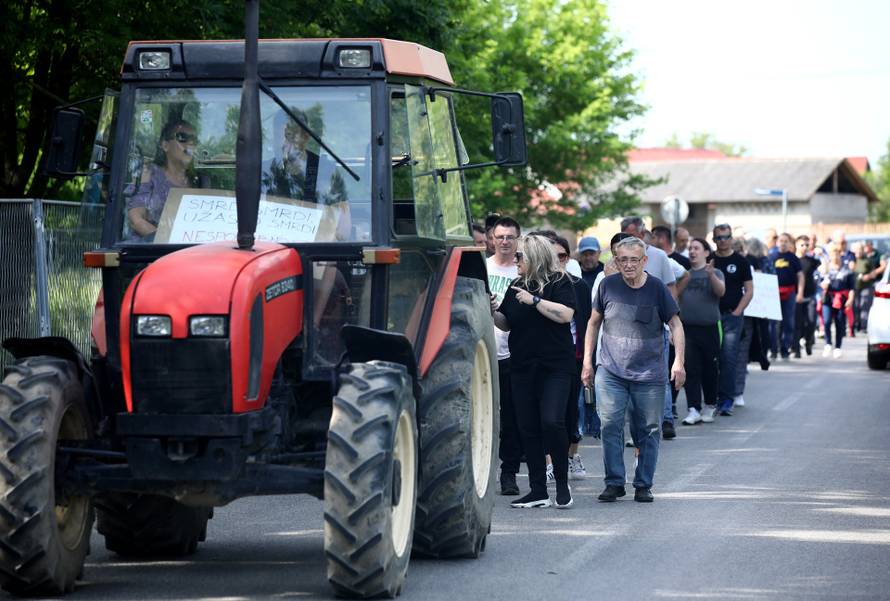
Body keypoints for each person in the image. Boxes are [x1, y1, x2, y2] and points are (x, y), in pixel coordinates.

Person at [582, 236, 685, 503]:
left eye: (634, 260)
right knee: (610, 425)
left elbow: (675, 325)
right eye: (623, 259)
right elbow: (593, 324)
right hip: (611, 371)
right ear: (615, 261)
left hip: (650, 374)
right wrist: (587, 362)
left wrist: (679, 361)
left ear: (644, 261)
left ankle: (643, 484)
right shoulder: (607, 286)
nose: (628, 265)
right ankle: (614, 482)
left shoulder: (657, 288)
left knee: (648, 429)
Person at [493, 235, 576, 509]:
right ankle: (538, 490)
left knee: (552, 421)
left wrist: (535, 300)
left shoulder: (560, 282)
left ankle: (562, 485)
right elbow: (506, 324)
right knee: (527, 427)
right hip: (522, 367)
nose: (515, 260)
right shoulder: (516, 286)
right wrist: (493, 310)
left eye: (520, 256)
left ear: (534, 258)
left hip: (555, 366)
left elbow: (565, 315)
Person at [533, 232, 592, 483]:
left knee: (571, 411)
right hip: (542, 357)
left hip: (573, 357)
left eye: (562, 256)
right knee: (547, 413)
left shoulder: (579, 286)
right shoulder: (536, 285)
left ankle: (571, 455)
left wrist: (588, 359)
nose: (557, 261)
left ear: (568, 258)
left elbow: (589, 323)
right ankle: (549, 462)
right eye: (552, 256)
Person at [620, 217, 679, 437]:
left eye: (633, 233)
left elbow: (671, 288)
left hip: (656, 327)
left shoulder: (659, 256)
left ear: (644, 234)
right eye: (625, 234)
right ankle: (640, 422)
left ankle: (665, 419)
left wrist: (672, 323)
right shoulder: (619, 258)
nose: (630, 238)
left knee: (659, 374)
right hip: (626, 331)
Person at [486, 217, 523, 496]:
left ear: (518, 239)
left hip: (515, 353)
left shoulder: (524, 272)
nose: (505, 242)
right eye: (500, 237)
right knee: (485, 418)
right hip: (484, 351)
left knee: (511, 419)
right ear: (492, 239)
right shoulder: (482, 268)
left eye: (510, 237)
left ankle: (508, 474)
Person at [127, 119, 198, 240]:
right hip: (151, 253)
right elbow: (136, 220)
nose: (190, 143)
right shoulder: (148, 174)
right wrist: (169, 242)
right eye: (182, 137)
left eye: (194, 140)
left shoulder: (199, 180)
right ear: (165, 145)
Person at [709, 224, 753, 416]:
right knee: (711, 359)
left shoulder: (740, 261)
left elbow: (749, 290)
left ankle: (727, 399)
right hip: (710, 317)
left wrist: (738, 311)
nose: (723, 241)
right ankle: (712, 398)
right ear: (714, 239)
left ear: (732, 238)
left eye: (726, 237)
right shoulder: (709, 260)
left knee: (728, 358)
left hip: (731, 316)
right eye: (719, 238)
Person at [679, 238, 724, 425]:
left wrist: (711, 275)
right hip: (688, 328)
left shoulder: (715, 272)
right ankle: (693, 408)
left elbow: (721, 292)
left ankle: (711, 405)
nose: (692, 251)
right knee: (691, 368)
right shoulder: (684, 275)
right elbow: (675, 296)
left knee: (709, 368)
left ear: (706, 253)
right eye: (690, 248)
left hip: (710, 328)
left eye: (696, 248)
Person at [262, 107, 346, 206]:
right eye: (277, 136)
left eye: (289, 136)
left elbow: (342, 213)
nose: (283, 143)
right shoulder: (264, 172)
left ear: (305, 136)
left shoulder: (325, 170)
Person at [769, 233, 804, 360]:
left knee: (788, 322)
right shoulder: (771, 257)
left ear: (789, 243)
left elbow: (800, 276)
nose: (783, 243)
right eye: (781, 241)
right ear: (777, 242)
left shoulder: (793, 258)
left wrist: (800, 293)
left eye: (785, 241)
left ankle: (785, 349)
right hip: (773, 294)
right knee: (773, 324)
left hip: (789, 293)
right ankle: (773, 350)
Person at [819, 243, 856, 358]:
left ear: (840, 254)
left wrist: (850, 299)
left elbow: (851, 287)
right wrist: (823, 285)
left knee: (840, 323)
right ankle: (828, 343)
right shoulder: (825, 269)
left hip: (841, 299)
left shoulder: (846, 270)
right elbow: (819, 281)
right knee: (827, 321)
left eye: (836, 253)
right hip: (828, 299)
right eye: (832, 254)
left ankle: (838, 347)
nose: (834, 256)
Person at [792, 235, 819, 358]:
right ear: (796, 245)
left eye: (807, 245)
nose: (804, 247)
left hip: (809, 295)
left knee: (811, 321)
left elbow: (823, 270)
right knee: (798, 323)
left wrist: (822, 255)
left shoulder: (812, 261)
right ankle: (796, 348)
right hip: (795, 295)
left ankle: (809, 342)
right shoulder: (792, 260)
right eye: (802, 245)